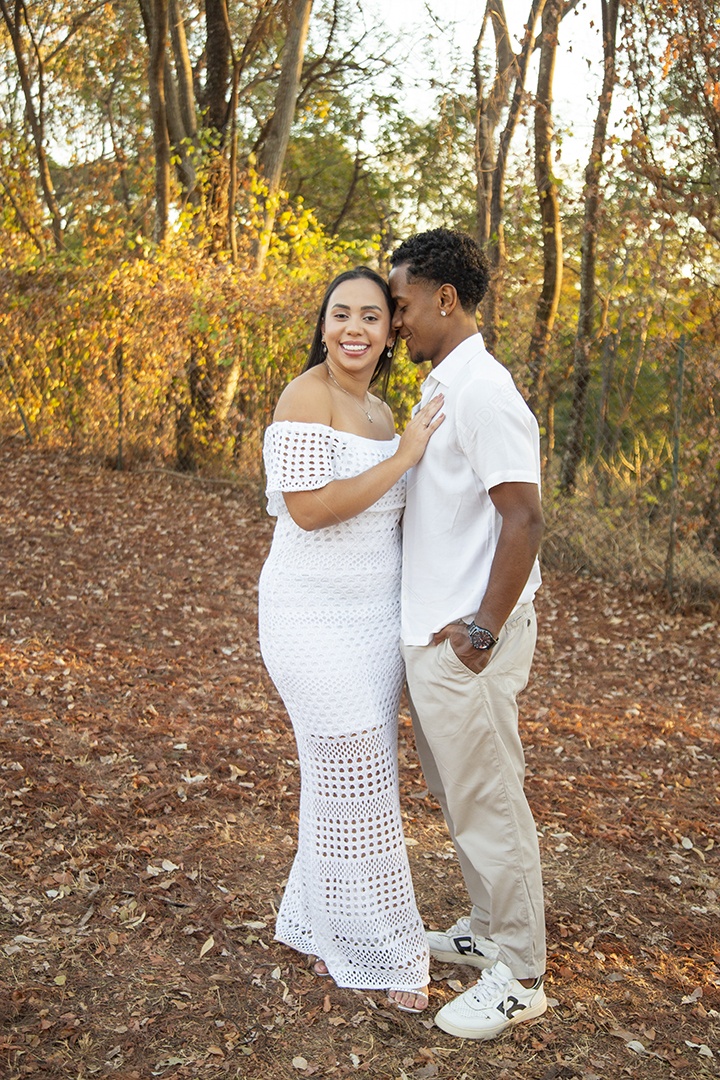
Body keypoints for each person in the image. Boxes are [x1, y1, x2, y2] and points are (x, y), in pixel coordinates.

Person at [258, 266, 444, 1014]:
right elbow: (309, 510)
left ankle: (310, 917)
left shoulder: (381, 407)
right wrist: (405, 457)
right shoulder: (308, 395)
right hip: (308, 613)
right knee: (355, 766)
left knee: (344, 773)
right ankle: (384, 945)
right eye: (342, 314)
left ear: (391, 330)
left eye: (372, 315)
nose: (355, 329)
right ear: (324, 323)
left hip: (372, 619)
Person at [388, 229, 547, 1040]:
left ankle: (519, 971)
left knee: (489, 801)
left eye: (404, 302)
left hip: (467, 643)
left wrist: (480, 632)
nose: (397, 318)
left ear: (444, 298)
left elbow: (524, 516)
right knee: (461, 798)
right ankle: (486, 931)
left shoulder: (482, 388)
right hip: (436, 635)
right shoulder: (442, 385)